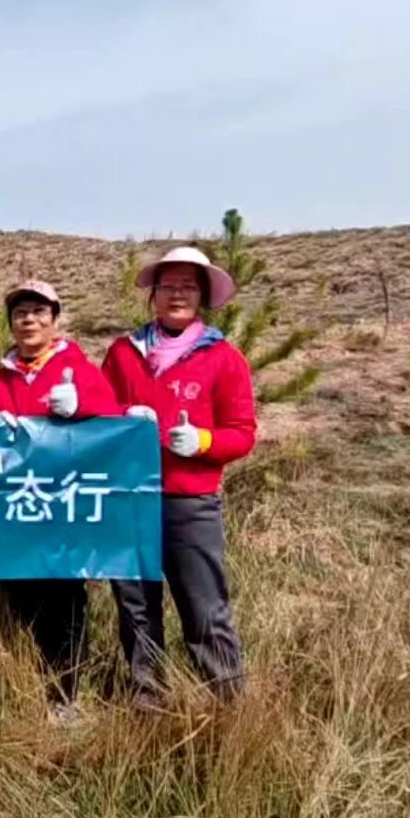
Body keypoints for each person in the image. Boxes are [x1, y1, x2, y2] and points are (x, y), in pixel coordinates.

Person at [101, 246, 256, 709]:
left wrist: (205, 443)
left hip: (190, 502)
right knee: (136, 609)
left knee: (204, 607)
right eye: (168, 286)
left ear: (203, 296)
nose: (177, 295)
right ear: (154, 295)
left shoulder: (223, 358)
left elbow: (242, 433)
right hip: (131, 499)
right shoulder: (124, 353)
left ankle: (228, 702)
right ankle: (147, 701)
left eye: (188, 286)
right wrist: (124, 415)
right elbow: (100, 411)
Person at [0, 280, 122, 728]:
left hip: (64, 508)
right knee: (22, 598)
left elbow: (113, 419)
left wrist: (82, 406)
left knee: (64, 599)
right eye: (20, 312)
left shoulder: (77, 368)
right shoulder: (0, 377)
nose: (29, 320)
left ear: (55, 320)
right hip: (16, 510)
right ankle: (25, 680)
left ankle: (65, 693)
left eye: (39, 312)